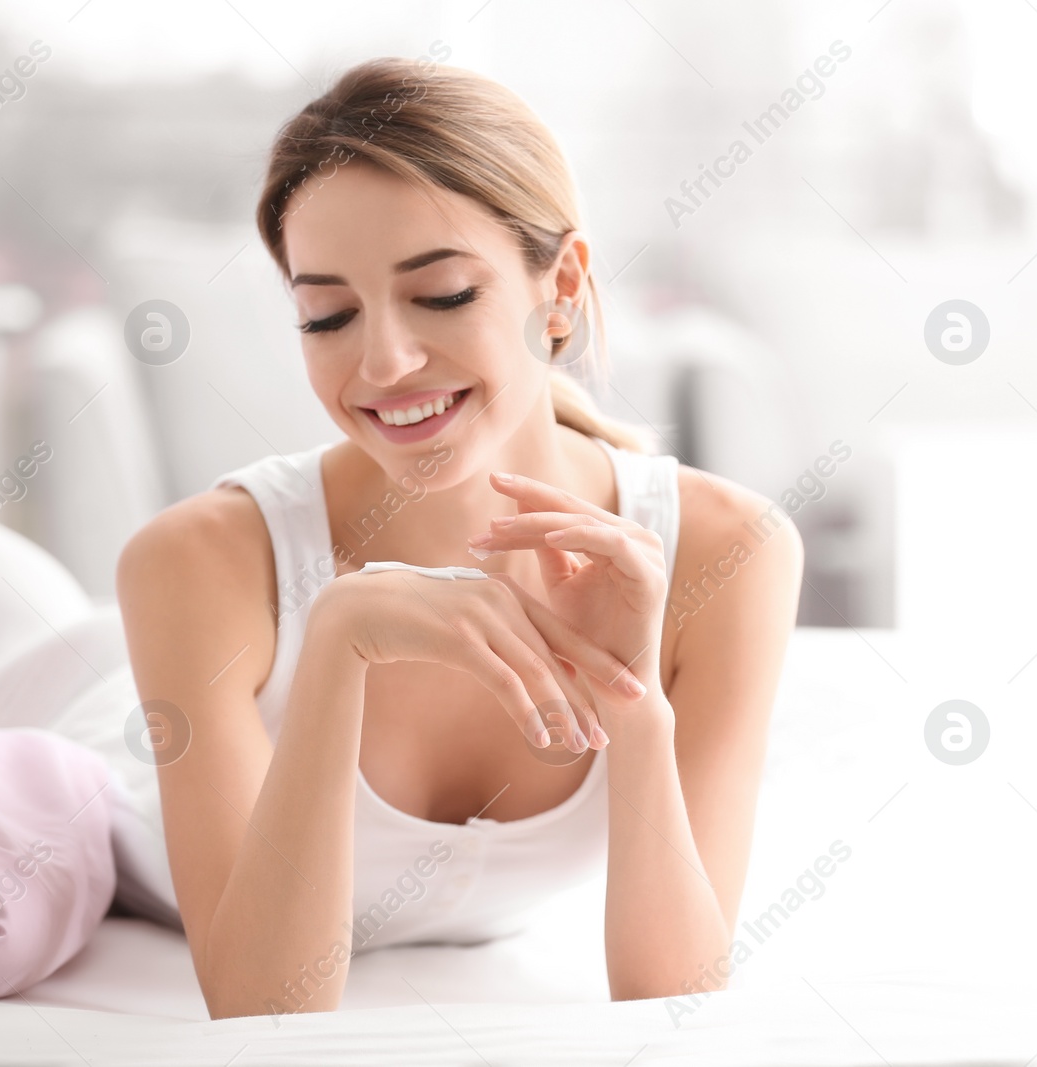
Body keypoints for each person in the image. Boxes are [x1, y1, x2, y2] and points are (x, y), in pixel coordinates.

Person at [102, 57, 802, 1018]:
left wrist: (631, 704)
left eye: (442, 296)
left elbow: (673, 998)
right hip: (72, 753)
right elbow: (262, 1008)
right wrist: (336, 641)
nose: (382, 361)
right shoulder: (203, 561)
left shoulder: (730, 555)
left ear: (559, 287)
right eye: (328, 314)